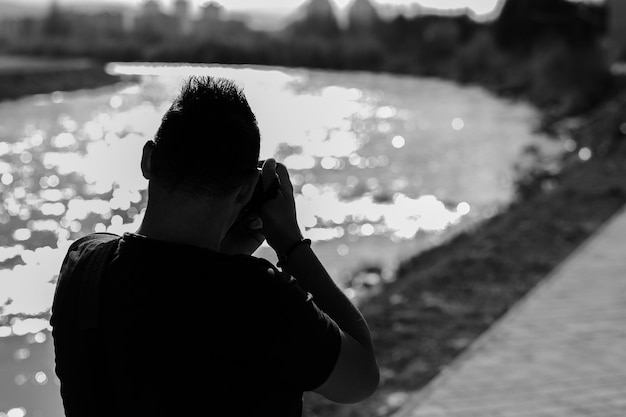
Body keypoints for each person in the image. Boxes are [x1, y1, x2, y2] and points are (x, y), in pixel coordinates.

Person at [51, 75, 379, 416]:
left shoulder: (84, 265)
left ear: (148, 159)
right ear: (246, 188)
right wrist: (292, 246)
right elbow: (362, 378)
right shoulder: (260, 299)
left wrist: (227, 252)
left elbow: (165, 291)